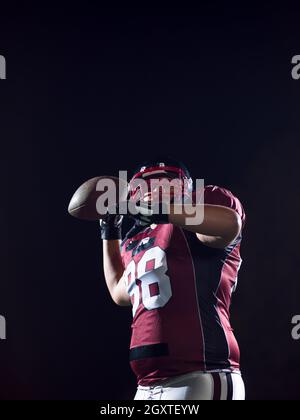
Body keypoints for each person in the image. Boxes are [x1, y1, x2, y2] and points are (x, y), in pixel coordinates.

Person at [100, 157, 246, 400]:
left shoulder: (203, 205)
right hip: (147, 384)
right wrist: (110, 232)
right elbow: (118, 291)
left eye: (163, 183)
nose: (154, 190)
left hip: (201, 374)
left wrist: (164, 211)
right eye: (146, 186)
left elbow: (230, 225)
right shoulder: (138, 241)